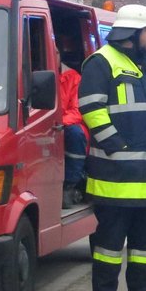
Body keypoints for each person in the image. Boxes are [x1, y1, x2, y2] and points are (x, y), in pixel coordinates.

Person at [78, 4, 146, 291]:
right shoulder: (100, 63)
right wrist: (116, 147)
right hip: (114, 176)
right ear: (132, 34)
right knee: (109, 243)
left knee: (145, 244)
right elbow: (91, 109)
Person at [59, 50, 88, 207]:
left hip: (67, 125)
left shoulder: (73, 77)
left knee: (75, 134)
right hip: (46, 125)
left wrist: (57, 123)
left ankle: (70, 184)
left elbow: (78, 110)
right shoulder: (32, 75)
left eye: (56, 52)